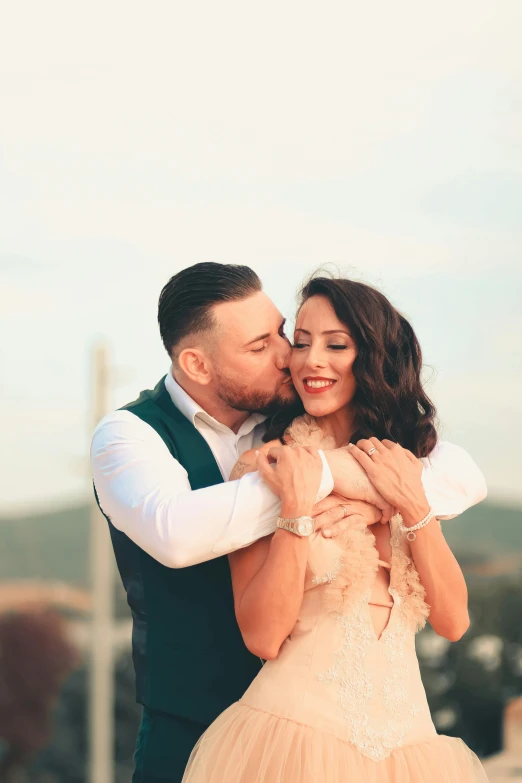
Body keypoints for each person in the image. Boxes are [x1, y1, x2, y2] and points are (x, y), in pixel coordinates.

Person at [91, 263, 487, 783]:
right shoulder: (131, 436)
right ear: (198, 364)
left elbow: (459, 475)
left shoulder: (290, 419)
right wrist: (312, 488)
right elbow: (176, 533)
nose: (289, 356)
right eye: (263, 346)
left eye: (284, 334)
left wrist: (384, 499)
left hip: (395, 744)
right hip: (204, 725)